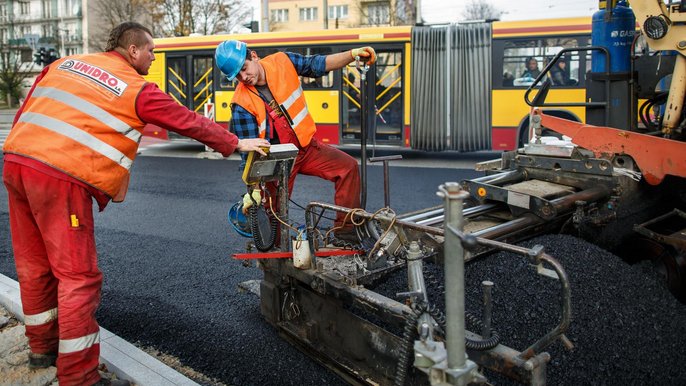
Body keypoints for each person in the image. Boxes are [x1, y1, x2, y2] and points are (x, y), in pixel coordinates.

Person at [1, 22, 269, 386]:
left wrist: (18, 155)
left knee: (34, 265)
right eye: (151, 52)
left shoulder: (62, 64)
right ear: (132, 51)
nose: (154, 58)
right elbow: (186, 120)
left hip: (17, 164)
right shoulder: (136, 87)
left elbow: (26, 113)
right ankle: (78, 377)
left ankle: (42, 349)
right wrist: (236, 143)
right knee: (78, 277)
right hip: (61, 179)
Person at [215, 41, 376, 240]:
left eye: (244, 69)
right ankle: (273, 259)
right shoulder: (241, 103)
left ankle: (346, 230)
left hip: (306, 148)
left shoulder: (283, 61)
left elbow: (318, 64)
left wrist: (353, 54)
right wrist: (254, 189)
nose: (243, 77)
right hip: (276, 161)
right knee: (274, 215)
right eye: (237, 76)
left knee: (348, 167)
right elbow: (248, 152)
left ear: (254, 56)